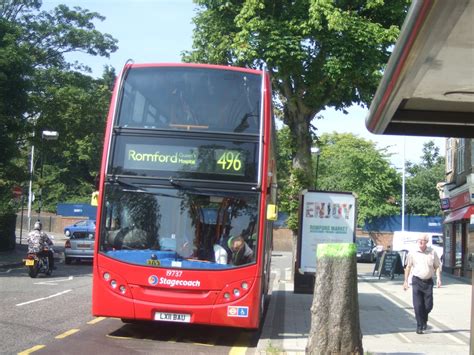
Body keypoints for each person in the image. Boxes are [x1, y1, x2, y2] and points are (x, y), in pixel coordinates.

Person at [403, 234, 442, 334]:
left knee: (428, 305)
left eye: (423, 240)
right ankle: (419, 326)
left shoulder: (432, 252)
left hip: (428, 282)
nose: (420, 242)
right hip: (417, 281)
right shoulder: (413, 253)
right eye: (419, 240)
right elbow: (408, 267)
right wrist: (406, 281)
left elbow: (437, 266)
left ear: (427, 242)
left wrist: (438, 278)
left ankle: (424, 319)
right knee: (418, 305)